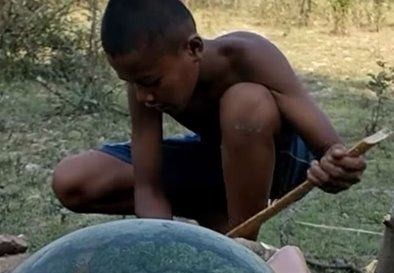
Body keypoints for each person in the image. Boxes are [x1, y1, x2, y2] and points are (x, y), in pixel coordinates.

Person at [51, 0, 366, 239]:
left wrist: (336, 164)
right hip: (215, 159)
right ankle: (212, 211)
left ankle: (242, 246)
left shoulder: (248, 56)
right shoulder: (144, 84)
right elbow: (148, 187)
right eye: (131, 82)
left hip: (280, 163)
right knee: (73, 179)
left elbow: (330, 148)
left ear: (194, 48)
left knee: (244, 103)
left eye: (150, 81)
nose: (143, 95)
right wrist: (161, 245)